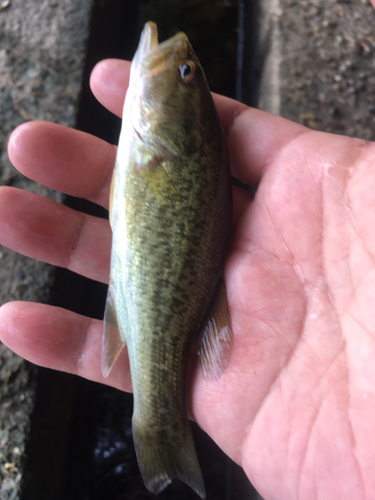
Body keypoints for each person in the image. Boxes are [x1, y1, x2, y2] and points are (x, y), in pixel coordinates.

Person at [1, 54, 375, 500]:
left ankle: (158, 426)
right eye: (187, 72)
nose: (179, 61)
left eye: (185, 73)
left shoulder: (169, 150)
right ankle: (162, 439)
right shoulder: (169, 150)